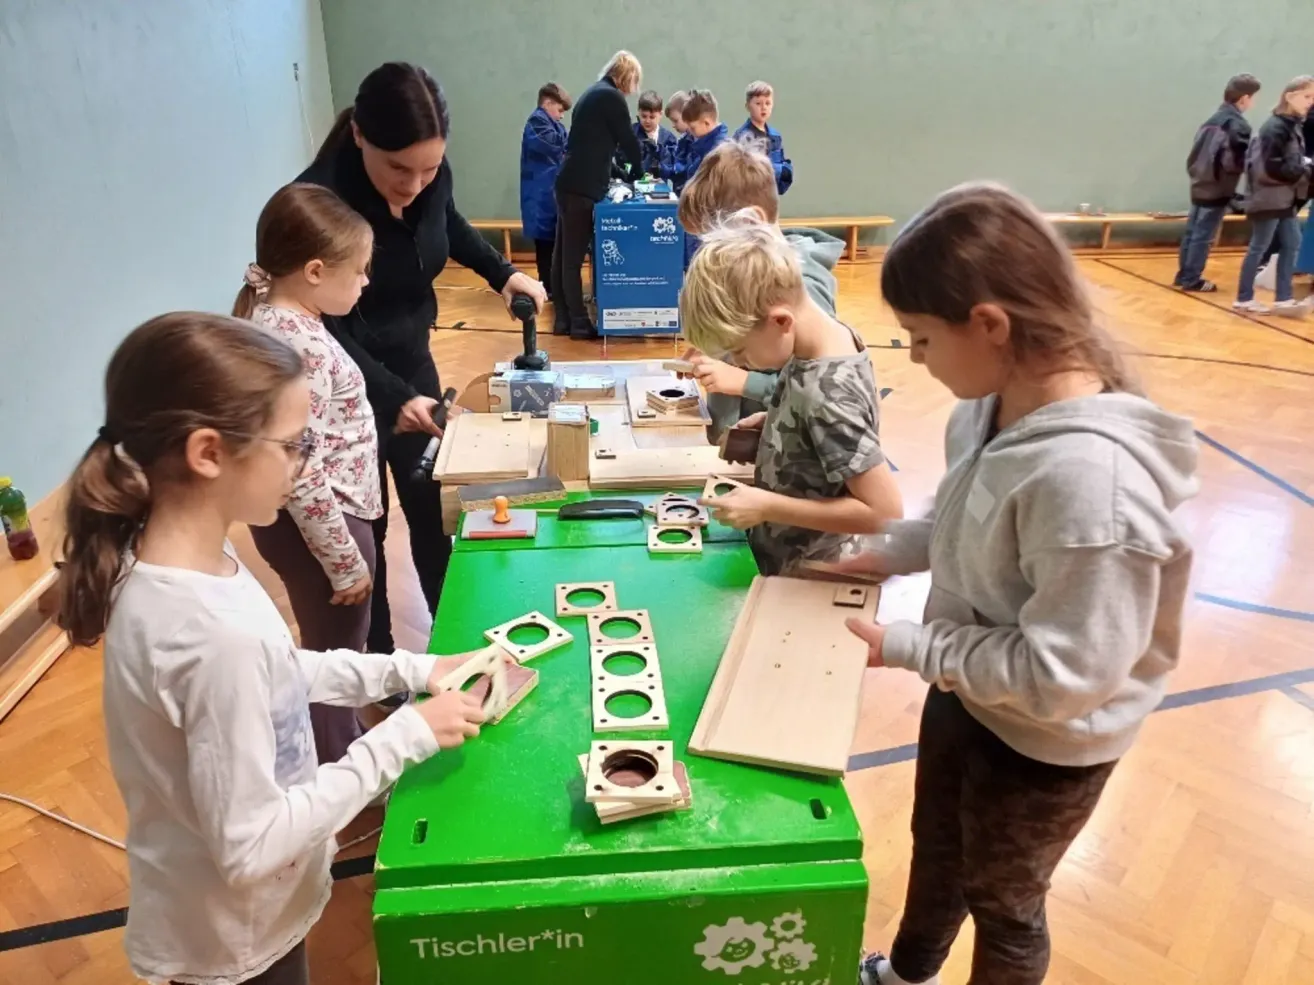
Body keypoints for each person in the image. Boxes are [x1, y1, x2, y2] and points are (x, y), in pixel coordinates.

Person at [832, 183, 1197, 985]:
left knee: (1003, 903)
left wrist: (912, 646)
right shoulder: (988, 406)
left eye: (922, 338)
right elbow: (959, 520)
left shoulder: (1090, 484)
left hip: (1048, 743)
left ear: (990, 325)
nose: (916, 358)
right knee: (938, 848)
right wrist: (884, 553)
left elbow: (1064, 674)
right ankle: (908, 973)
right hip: (969, 690)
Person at [55, 313, 489, 985]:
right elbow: (251, 844)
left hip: (242, 913)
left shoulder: (192, 562)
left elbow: (278, 670)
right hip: (233, 938)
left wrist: (413, 669)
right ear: (208, 453)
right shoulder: (205, 633)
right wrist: (406, 735)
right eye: (293, 444)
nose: (306, 463)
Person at [297, 62, 546, 655]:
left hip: (412, 363)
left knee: (434, 512)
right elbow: (321, 329)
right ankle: (380, 665)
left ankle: (450, 643)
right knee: (370, 530)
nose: (414, 185)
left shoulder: (430, 178)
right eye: (398, 169)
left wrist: (503, 272)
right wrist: (393, 398)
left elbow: (447, 223)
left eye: (429, 169)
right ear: (359, 134)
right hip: (344, 387)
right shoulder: (317, 205)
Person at [232, 182, 382, 765]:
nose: (365, 282)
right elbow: (301, 468)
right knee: (333, 656)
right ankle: (339, 769)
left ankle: (339, 741)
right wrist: (344, 560)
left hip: (315, 523)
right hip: (325, 525)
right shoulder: (302, 347)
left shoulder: (277, 319)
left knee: (331, 647)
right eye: (360, 271)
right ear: (316, 271)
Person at [682, 214, 903, 575]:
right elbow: (826, 432)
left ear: (780, 321)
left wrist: (768, 507)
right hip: (788, 554)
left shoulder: (826, 394)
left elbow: (885, 513)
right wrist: (779, 420)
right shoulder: (824, 339)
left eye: (739, 350)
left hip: (811, 573)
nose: (738, 362)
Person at [676, 140, 844, 441]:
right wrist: (718, 348)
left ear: (750, 221)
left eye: (715, 240)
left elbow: (821, 387)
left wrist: (743, 382)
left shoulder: (803, 288)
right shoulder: (752, 275)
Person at [552, 50, 645, 339]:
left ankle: (563, 319)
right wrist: (638, 171)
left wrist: (617, 171)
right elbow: (627, 140)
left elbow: (594, 146)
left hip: (569, 182)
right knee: (572, 261)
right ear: (627, 76)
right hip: (581, 188)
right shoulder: (611, 97)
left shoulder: (592, 93)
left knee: (562, 257)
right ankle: (579, 323)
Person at [1234, 75, 1314, 315]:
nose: (1311, 102)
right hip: (1269, 198)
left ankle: (1283, 298)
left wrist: (1302, 165)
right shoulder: (1275, 127)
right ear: (1290, 96)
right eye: (1307, 96)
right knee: (1259, 247)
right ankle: (1244, 298)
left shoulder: (1292, 125)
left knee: (1292, 243)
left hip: (1284, 198)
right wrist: (1304, 168)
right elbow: (1271, 166)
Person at [1174, 73, 1260, 292]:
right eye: (1253, 98)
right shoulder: (1238, 125)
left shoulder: (1211, 120)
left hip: (1199, 182)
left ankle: (1183, 275)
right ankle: (1192, 279)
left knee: (1192, 232)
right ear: (1244, 98)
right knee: (1204, 236)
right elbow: (1235, 162)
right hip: (1218, 186)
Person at [521, 83, 572, 294]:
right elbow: (558, 145)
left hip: (551, 196)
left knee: (553, 245)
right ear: (547, 103)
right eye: (559, 110)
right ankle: (548, 288)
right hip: (540, 197)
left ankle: (554, 286)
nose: (561, 115)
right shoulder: (537, 123)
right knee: (544, 247)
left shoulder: (554, 125)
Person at [733, 80, 794, 196]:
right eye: (758, 103)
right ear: (747, 106)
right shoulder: (743, 137)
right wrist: (778, 170)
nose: (763, 107)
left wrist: (786, 172)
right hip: (749, 197)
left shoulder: (775, 136)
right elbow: (744, 172)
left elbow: (782, 165)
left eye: (767, 103)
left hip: (770, 195)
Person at [623, 89, 678, 178]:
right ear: (638, 112)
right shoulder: (631, 133)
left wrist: (658, 152)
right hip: (634, 182)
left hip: (659, 184)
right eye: (644, 116)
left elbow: (671, 168)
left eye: (652, 117)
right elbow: (622, 161)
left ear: (660, 114)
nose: (647, 121)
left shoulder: (669, 138)